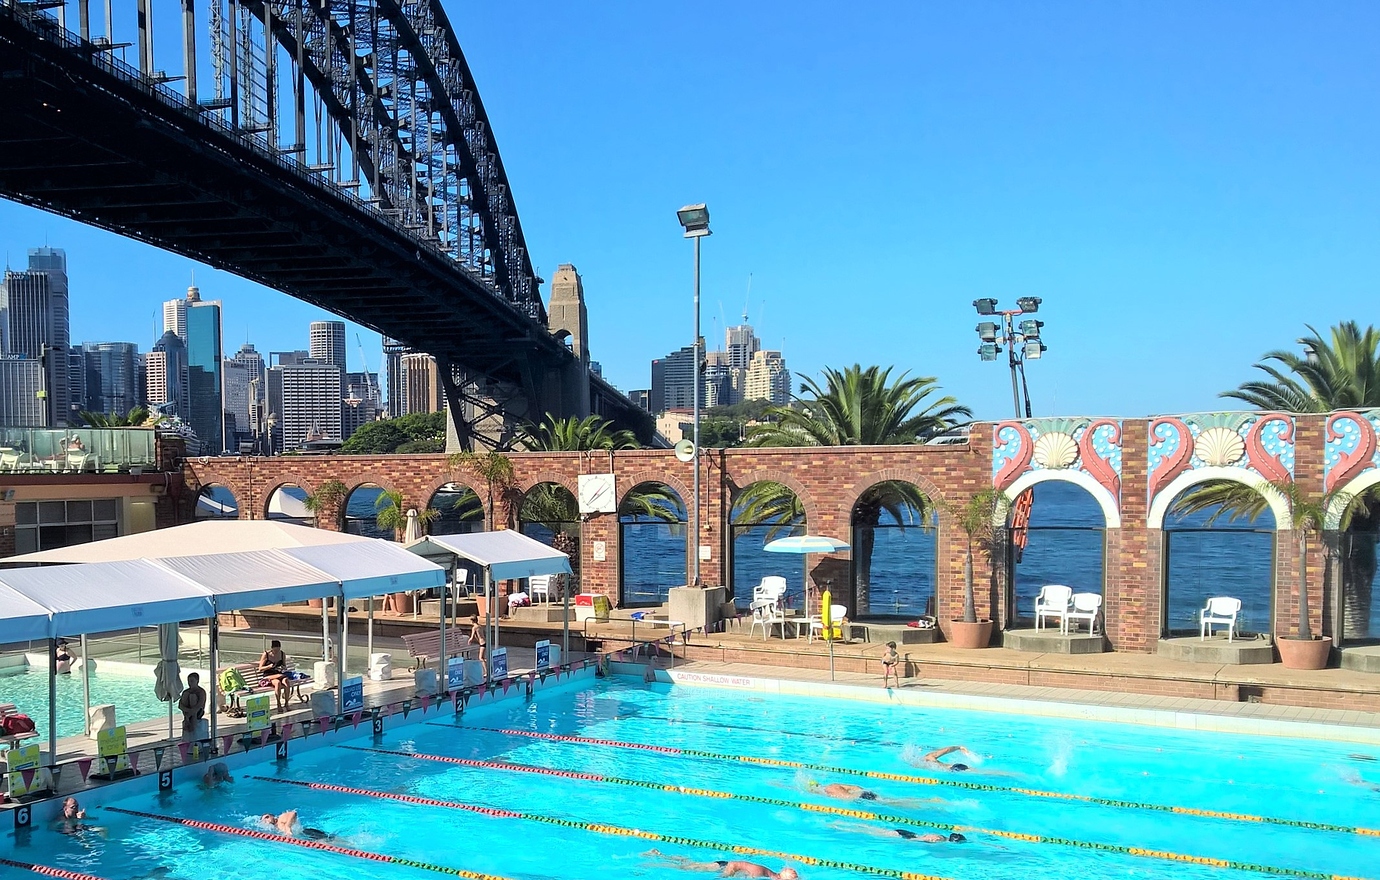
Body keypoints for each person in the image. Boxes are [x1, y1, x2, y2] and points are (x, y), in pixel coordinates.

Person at [647, 850, 798, 879]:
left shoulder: (768, 874)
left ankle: (663, 855)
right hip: (724, 866)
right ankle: (658, 856)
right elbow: (736, 864)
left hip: (723, 865)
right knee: (685, 868)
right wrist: (724, 877)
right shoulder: (762, 873)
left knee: (689, 864)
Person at [831, 821, 966, 844]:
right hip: (905, 835)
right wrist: (907, 841)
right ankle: (845, 827)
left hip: (908, 832)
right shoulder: (938, 840)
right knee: (872, 833)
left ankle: (849, 824)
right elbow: (922, 839)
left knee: (874, 830)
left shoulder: (940, 836)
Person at [258, 640, 292, 712]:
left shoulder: (282, 654)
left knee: (286, 681)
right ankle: (278, 704)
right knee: (277, 683)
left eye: (278, 650)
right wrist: (269, 666)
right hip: (268, 675)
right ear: (272, 648)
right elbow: (260, 668)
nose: (276, 652)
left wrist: (283, 667)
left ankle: (286, 703)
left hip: (278, 674)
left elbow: (284, 666)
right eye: (275, 650)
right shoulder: (266, 654)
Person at [260, 809, 330, 840]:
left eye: (267, 817)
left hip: (308, 833)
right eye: (264, 819)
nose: (267, 819)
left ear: (273, 816)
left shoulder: (280, 818)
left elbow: (293, 813)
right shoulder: (276, 828)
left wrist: (288, 826)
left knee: (331, 841)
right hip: (305, 836)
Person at [178, 672, 207, 738]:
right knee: (186, 694)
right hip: (187, 713)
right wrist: (188, 713)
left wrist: (188, 715)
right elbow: (180, 706)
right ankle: (188, 720)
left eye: (192, 681)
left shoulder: (201, 691)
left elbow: (199, 705)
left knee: (192, 697)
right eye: (188, 681)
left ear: (197, 681)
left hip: (198, 712)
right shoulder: (186, 691)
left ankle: (192, 726)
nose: (190, 683)